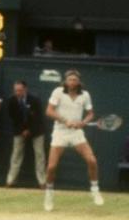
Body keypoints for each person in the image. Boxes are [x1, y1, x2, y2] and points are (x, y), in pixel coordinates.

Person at [43, 70, 104, 211]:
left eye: (75, 80)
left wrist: (83, 122)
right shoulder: (58, 92)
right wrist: (65, 120)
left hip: (76, 133)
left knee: (92, 161)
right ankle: (49, 194)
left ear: (79, 82)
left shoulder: (85, 95)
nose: (72, 82)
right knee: (51, 167)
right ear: (65, 81)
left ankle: (95, 190)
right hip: (60, 132)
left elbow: (91, 114)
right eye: (69, 79)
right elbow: (49, 111)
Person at [5, 81, 46, 188]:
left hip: (36, 130)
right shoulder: (11, 100)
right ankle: (11, 181)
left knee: (39, 155)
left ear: (25, 89)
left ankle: (42, 182)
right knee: (16, 154)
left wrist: (29, 130)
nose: (17, 93)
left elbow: (38, 118)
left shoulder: (35, 100)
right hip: (19, 130)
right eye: (16, 91)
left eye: (20, 90)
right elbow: (13, 118)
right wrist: (22, 130)